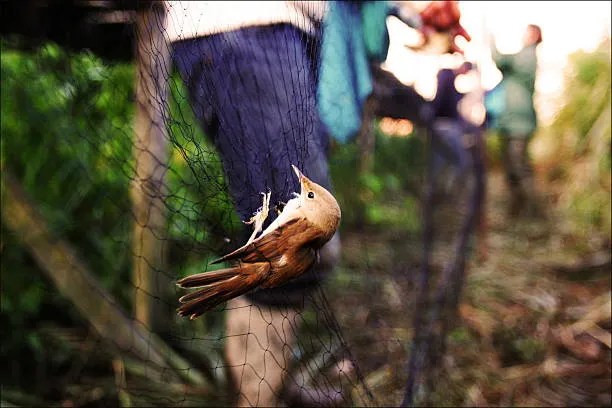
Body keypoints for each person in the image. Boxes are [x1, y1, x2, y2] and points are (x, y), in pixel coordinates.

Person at [164, 2, 468, 406]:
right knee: (296, 240)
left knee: (278, 238)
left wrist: (412, 12)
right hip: (247, 25)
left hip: (290, 33)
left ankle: (267, 382)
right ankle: (255, 397)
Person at [491, 24, 543, 217]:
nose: (523, 35)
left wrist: (490, 38)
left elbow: (500, 60)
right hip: (509, 121)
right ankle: (517, 209)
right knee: (511, 168)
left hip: (519, 123)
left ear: (535, 36)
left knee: (518, 166)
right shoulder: (522, 58)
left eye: (527, 32)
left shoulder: (527, 56)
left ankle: (534, 211)